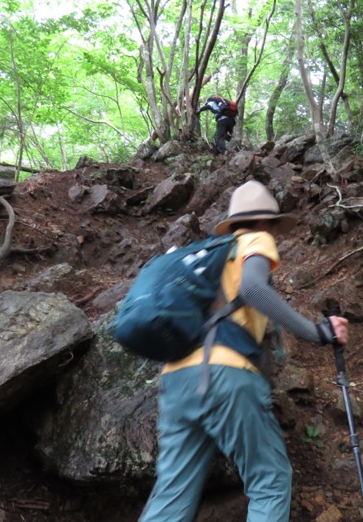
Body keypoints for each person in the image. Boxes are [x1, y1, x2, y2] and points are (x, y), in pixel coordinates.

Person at [139, 180, 349, 522]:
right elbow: (253, 288)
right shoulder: (256, 239)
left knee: (172, 496)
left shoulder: (208, 254)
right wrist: (316, 332)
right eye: (274, 227)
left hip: (176, 379)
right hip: (225, 374)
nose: (275, 235)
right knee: (271, 479)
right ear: (265, 222)